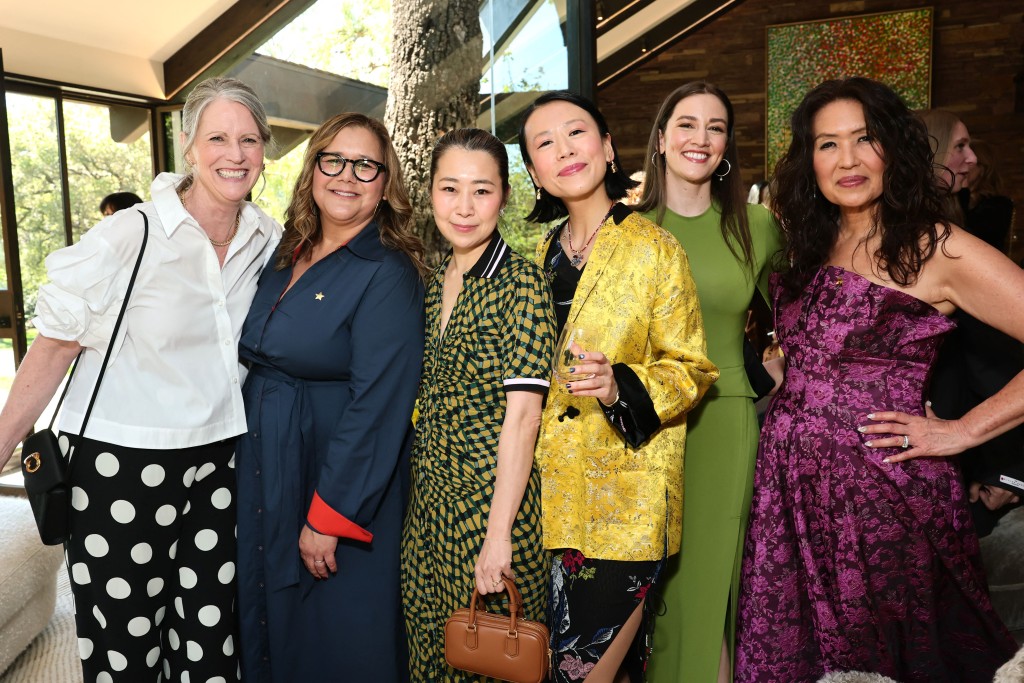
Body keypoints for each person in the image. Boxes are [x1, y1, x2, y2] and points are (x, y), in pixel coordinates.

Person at [735, 77, 1020, 683]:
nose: (848, 160)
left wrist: (965, 430)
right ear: (808, 160)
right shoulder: (809, 243)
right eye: (827, 144)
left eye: (864, 139)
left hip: (883, 496)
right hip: (788, 490)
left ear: (893, 147)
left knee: (883, 661)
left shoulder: (938, 247)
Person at [0, 76, 280, 682]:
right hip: (119, 466)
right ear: (187, 144)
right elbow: (52, 351)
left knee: (212, 642)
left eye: (249, 139)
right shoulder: (134, 233)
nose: (234, 154)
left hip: (221, 466)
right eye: (217, 138)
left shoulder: (267, 239)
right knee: (126, 649)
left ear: (264, 149)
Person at [519, 90, 719, 682]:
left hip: (627, 506)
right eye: (544, 143)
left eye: (576, 133)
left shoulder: (655, 248)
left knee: (579, 677)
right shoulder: (536, 256)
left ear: (607, 147)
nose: (564, 150)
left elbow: (691, 368)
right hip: (548, 504)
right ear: (533, 171)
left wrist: (616, 386)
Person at [234, 112, 426, 683]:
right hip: (266, 460)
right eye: (334, 160)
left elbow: (379, 405)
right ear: (313, 168)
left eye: (366, 164)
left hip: (337, 475)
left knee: (336, 636)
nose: (348, 175)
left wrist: (331, 514)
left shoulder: (388, 271)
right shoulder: (286, 251)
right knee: (270, 618)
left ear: (385, 181)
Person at [634, 81, 782, 683]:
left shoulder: (757, 227)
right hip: (642, 429)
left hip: (723, 423)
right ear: (662, 137)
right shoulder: (627, 228)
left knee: (712, 581)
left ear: (727, 144)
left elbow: (808, 314)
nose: (701, 138)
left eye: (715, 127)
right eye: (687, 124)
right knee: (651, 588)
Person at [401, 128, 556, 680]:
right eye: (450, 188)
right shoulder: (430, 279)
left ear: (505, 197)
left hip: (490, 511)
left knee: (489, 665)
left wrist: (498, 538)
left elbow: (524, 418)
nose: (464, 208)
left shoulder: (523, 286)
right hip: (427, 507)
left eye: (482, 191)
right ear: (431, 194)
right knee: (431, 658)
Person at [921, 113, 1023, 537]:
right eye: (959, 147)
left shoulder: (949, 242)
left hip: (960, 460)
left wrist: (1007, 468)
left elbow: (987, 357)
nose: (973, 158)